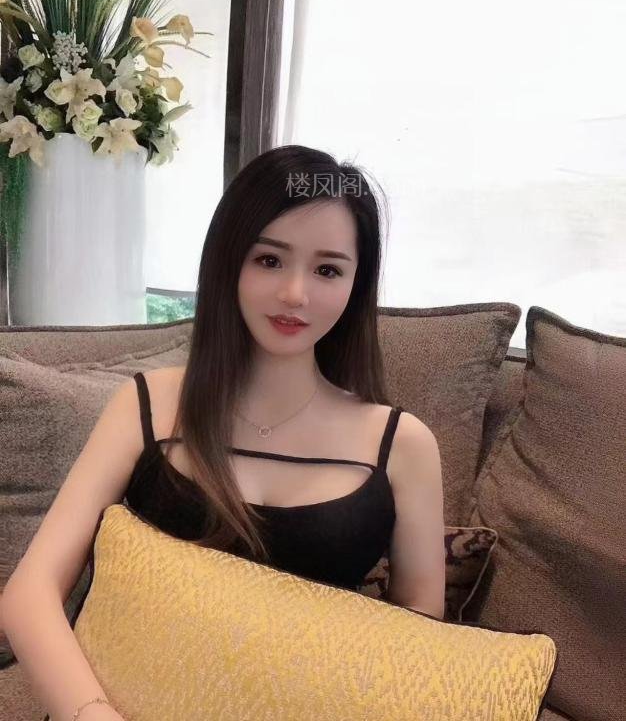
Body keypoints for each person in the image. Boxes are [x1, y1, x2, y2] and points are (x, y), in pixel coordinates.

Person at [1, 144, 445, 721]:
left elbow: (418, 633)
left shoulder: (402, 445)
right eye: (269, 260)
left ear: (356, 285)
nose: (295, 293)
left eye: (328, 270)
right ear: (229, 261)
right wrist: (92, 714)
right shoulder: (150, 404)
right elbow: (30, 594)